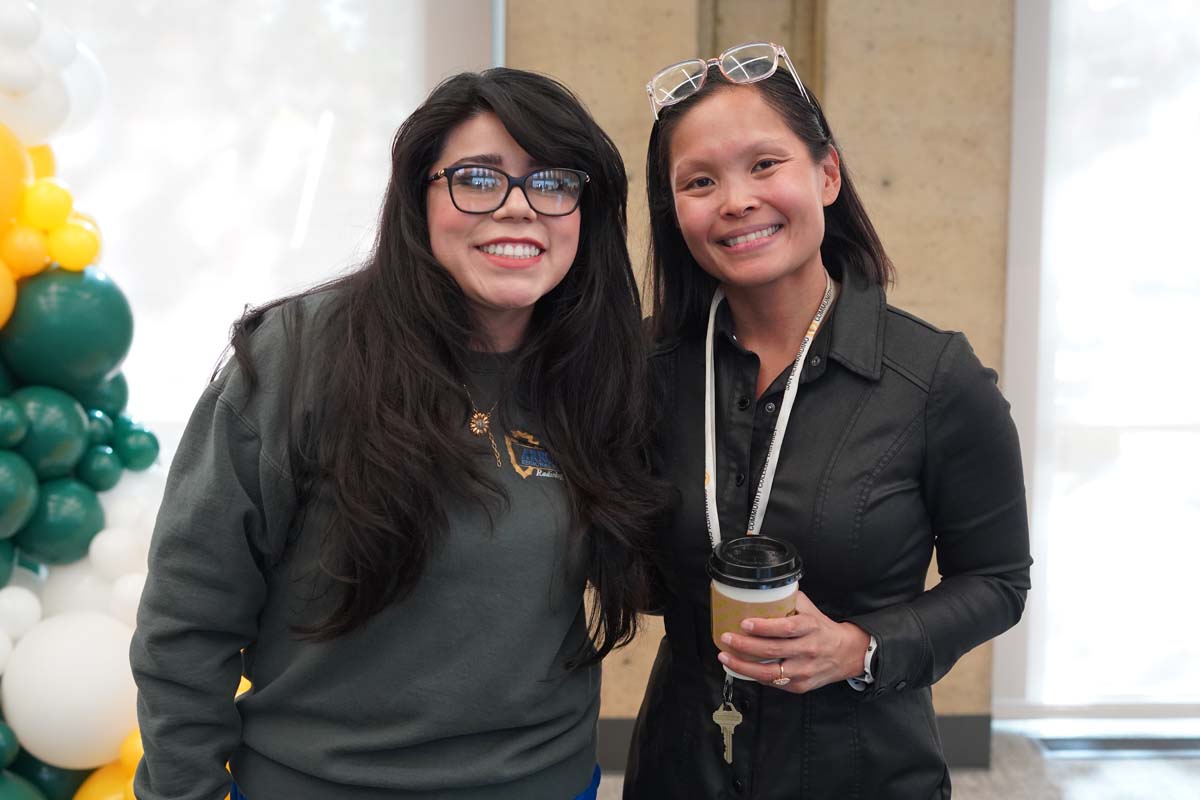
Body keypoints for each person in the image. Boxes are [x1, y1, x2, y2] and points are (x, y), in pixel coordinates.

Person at [130, 67, 661, 800]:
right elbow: (188, 620)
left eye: (552, 182)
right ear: (420, 197)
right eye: (478, 179)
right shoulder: (301, 355)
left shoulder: (599, 374)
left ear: (585, 210)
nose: (518, 210)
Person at [624, 42, 1032, 798]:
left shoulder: (934, 378)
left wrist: (860, 646)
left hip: (864, 766)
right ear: (673, 209)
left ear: (828, 174)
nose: (736, 200)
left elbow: (999, 580)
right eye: (700, 181)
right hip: (681, 767)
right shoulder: (644, 371)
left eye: (765, 164)